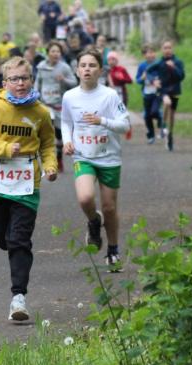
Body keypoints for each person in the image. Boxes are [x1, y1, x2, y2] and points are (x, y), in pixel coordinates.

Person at [0, 57, 58, 322]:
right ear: (5, 82)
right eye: (15, 79)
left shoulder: (41, 112)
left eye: (25, 78)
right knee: (3, 238)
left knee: (19, 240)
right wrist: (5, 148)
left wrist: (50, 166)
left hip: (27, 185)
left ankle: (18, 297)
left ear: (32, 80)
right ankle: (10, 248)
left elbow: (48, 144)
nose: (20, 83)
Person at [61, 48, 131, 272]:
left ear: (100, 70)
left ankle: (113, 250)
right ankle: (93, 221)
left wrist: (102, 121)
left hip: (109, 157)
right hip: (83, 156)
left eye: (92, 65)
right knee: (85, 198)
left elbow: (125, 125)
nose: (87, 69)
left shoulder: (110, 95)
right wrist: (67, 141)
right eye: (83, 65)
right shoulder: (70, 96)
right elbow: (66, 122)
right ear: (77, 70)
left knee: (109, 208)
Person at [35, 41, 78, 172]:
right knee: (48, 130)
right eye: (53, 51)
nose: (55, 54)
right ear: (48, 53)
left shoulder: (64, 67)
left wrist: (63, 80)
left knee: (59, 135)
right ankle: (48, 159)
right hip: (45, 104)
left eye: (58, 51)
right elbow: (37, 83)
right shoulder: (41, 66)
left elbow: (74, 82)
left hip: (59, 105)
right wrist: (35, 96)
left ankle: (59, 157)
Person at [145, 40, 185, 151]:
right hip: (163, 90)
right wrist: (153, 81)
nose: (167, 50)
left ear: (173, 49)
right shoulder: (159, 63)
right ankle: (163, 125)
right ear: (161, 50)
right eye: (165, 48)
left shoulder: (178, 62)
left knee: (172, 116)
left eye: (169, 48)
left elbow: (181, 76)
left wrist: (174, 67)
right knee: (167, 102)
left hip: (175, 91)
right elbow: (148, 72)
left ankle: (170, 136)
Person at [136, 44, 164, 144]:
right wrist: (142, 78)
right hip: (147, 94)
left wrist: (160, 82)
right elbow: (138, 80)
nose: (151, 55)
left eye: (152, 52)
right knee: (147, 116)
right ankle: (151, 136)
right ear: (144, 55)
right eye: (148, 53)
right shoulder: (142, 66)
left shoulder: (159, 64)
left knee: (154, 111)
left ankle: (161, 122)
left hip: (157, 93)